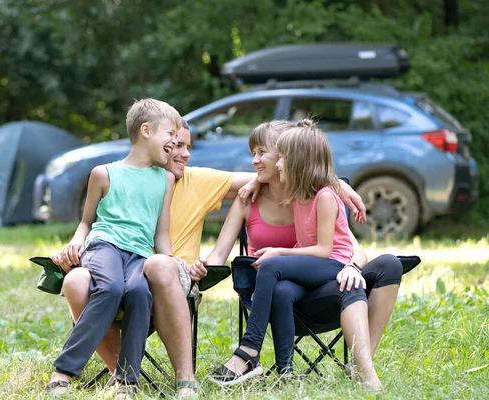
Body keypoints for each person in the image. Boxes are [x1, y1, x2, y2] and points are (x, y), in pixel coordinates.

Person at [52, 119, 368, 397]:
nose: (183, 153)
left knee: (159, 264)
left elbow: (289, 172)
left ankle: (184, 378)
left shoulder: (197, 180)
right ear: (152, 139)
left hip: (169, 274)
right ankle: (120, 374)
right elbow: (95, 224)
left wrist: (337, 184)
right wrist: (74, 248)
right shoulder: (124, 177)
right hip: (121, 267)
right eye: (175, 144)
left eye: (187, 146)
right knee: (76, 280)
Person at [206, 120, 393, 392]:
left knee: (383, 266)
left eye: (264, 153)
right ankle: (285, 371)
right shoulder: (252, 196)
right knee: (279, 284)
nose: (255, 161)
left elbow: (344, 248)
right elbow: (218, 253)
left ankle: (249, 350)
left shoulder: (315, 195)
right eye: (253, 153)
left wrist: (340, 186)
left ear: (289, 157)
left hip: (322, 285)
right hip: (277, 293)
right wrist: (199, 270)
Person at [44, 98, 180, 398]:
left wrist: (172, 266)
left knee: (139, 292)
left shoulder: (165, 180)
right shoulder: (103, 173)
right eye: (170, 133)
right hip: (105, 245)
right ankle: (63, 371)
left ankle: (127, 380)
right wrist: (77, 241)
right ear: (146, 130)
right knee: (111, 288)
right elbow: (86, 223)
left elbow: (161, 233)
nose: (175, 140)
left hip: (140, 254)